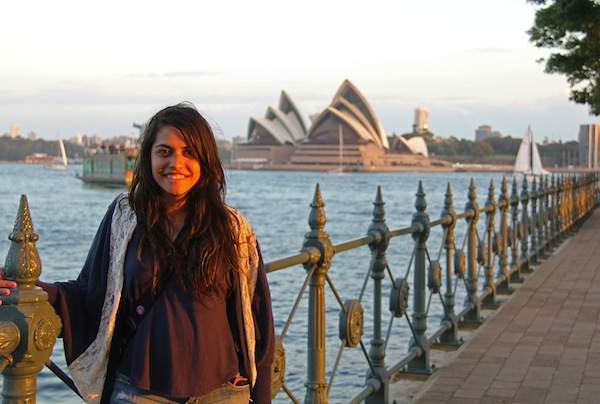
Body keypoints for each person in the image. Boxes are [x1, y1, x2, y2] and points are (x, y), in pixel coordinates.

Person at [0, 103, 275, 403]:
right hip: (140, 393)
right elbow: (91, 292)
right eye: (164, 151)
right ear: (149, 157)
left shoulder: (233, 228)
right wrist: (31, 291)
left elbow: (257, 321)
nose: (176, 162)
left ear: (205, 160)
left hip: (221, 392)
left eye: (189, 152)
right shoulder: (124, 216)